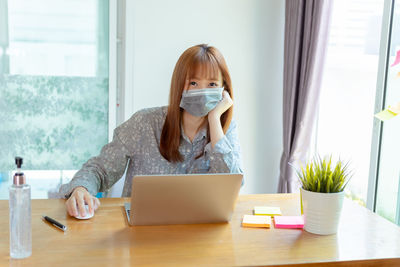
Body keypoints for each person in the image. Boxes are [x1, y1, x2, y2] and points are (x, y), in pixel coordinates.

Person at [60, 44, 243, 218]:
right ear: (179, 85)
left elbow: (232, 184)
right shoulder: (144, 122)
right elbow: (100, 169)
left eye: (212, 85)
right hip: (142, 231)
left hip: (200, 232)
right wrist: (80, 189)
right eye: (193, 83)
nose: (202, 91)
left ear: (223, 89)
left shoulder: (224, 128)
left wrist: (214, 119)